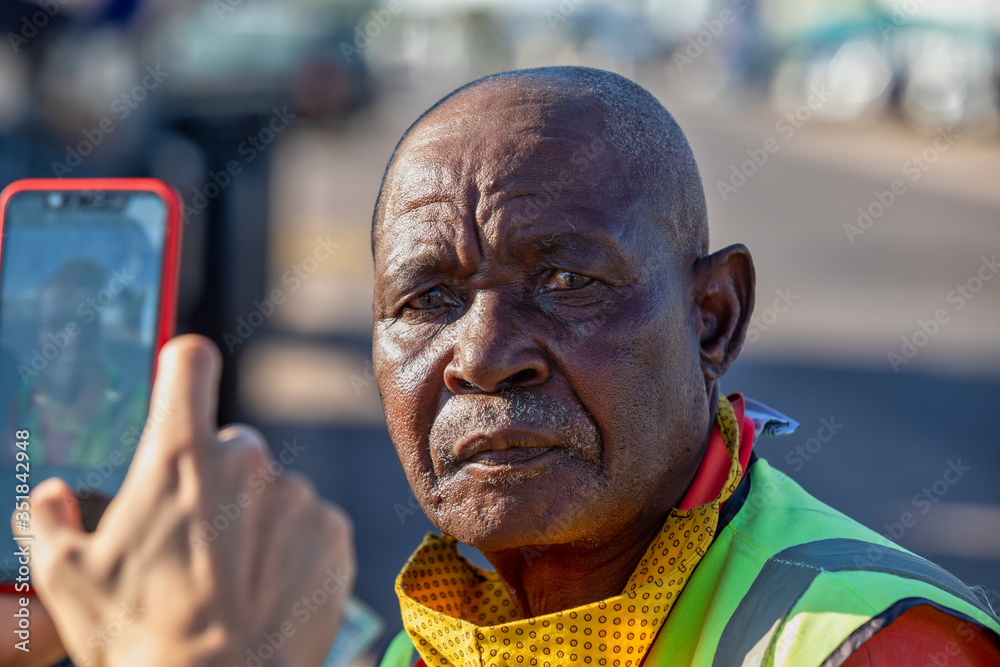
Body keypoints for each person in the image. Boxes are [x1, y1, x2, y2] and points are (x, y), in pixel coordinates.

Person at [13, 67, 1000, 667]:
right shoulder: (452, 618)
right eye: (425, 301)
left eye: (567, 280)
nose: (482, 356)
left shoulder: (878, 646)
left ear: (712, 318)